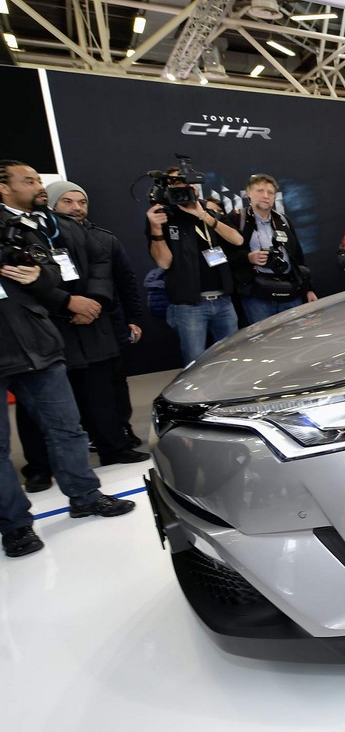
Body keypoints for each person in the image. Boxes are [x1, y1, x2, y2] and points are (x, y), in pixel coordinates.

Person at [0, 161, 135, 556]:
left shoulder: (34, 225)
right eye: (28, 180)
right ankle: (15, 526)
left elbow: (51, 275)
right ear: (4, 188)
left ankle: (85, 496)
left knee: (67, 429)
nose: (38, 185)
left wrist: (40, 280)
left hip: (39, 344)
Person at [17, 180, 149, 493]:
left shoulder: (99, 237)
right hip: (50, 328)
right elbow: (29, 283)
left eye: (81, 202)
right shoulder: (25, 231)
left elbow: (108, 274)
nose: (76, 208)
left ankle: (114, 448)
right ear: (52, 203)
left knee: (102, 395)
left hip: (95, 324)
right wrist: (67, 305)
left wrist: (93, 304)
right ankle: (39, 467)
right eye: (68, 201)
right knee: (40, 405)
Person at [145, 168, 244, 365]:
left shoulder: (210, 212)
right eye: (177, 182)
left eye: (189, 180)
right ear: (168, 187)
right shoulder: (164, 217)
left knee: (232, 360)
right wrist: (156, 229)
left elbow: (238, 240)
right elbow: (164, 262)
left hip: (224, 302)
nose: (186, 185)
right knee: (196, 364)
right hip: (189, 307)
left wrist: (204, 215)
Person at [228, 174, 317, 324]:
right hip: (257, 296)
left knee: (296, 334)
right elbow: (226, 255)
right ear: (248, 194)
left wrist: (308, 288)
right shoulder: (237, 219)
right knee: (264, 336)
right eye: (260, 191)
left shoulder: (282, 220)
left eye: (270, 192)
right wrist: (248, 257)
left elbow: (298, 257)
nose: (265, 196)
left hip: (289, 290)